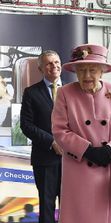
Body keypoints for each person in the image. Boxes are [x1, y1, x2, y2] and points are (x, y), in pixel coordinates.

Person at [51, 44, 111, 223]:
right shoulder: (66, 93)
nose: (86, 75)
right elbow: (59, 129)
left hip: (109, 170)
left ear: (102, 71)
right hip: (79, 169)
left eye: (92, 70)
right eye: (81, 70)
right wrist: (87, 150)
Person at [20, 50, 63, 223]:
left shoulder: (72, 90)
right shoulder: (31, 92)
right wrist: (51, 142)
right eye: (49, 63)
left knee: (72, 205)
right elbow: (26, 125)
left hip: (72, 160)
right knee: (47, 207)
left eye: (57, 62)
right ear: (40, 68)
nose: (54, 66)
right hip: (45, 159)